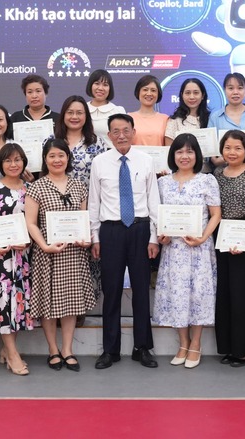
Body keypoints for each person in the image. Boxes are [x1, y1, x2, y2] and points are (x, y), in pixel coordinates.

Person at [89, 113, 161, 369]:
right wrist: (95, 236)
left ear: (133, 131)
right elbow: (94, 202)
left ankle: (142, 347)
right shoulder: (99, 162)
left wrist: (154, 237)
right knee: (111, 291)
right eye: (116, 131)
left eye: (126, 130)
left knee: (141, 290)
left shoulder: (146, 160)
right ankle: (110, 350)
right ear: (109, 135)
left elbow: (154, 200)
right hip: (111, 232)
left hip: (140, 230)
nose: (121, 135)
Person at [25, 139, 96, 372]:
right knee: (49, 303)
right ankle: (53, 349)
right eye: (52, 156)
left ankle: (67, 349)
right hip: (48, 254)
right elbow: (31, 223)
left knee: (71, 303)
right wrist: (45, 246)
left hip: (74, 253)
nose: (57, 160)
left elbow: (84, 219)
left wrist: (85, 239)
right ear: (45, 160)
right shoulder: (36, 187)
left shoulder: (79, 186)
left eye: (61, 155)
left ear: (68, 158)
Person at [152, 134, 221, 369]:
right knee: (177, 294)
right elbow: (158, 217)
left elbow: (216, 214)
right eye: (180, 151)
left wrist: (203, 237)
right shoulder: (162, 183)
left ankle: (196, 343)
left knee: (198, 294)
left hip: (199, 248)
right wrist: (161, 235)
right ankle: (183, 343)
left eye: (189, 151)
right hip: (173, 250)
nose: (184, 156)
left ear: (197, 155)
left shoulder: (207, 180)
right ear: (172, 155)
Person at [212, 130, 245, 367]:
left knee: (243, 296)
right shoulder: (217, 174)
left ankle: (244, 350)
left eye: (237, 148)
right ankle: (228, 347)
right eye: (227, 148)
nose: (232, 152)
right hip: (222, 238)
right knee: (225, 295)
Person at [0, 143, 33, 376]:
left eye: (18, 159)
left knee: (17, 303)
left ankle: (7, 350)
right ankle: (12, 354)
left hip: (22, 257)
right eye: (8, 160)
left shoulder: (30, 189)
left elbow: (36, 223)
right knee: (2, 302)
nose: (13, 164)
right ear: (1, 164)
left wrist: (27, 242)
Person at [51, 95, 107, 185]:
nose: (74, 117)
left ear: (86, 116)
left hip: (88, 193)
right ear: (63, 115)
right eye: (70, 112)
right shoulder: (51, 141)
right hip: (54, 193)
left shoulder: (97, 143)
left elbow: (103, 174)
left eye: (79, 113)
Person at [165, 78, 211, 144]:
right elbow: (169, 148)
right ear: (182, 95)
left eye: (196, 93)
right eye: (187, 93)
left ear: (202, 96)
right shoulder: (174, 121)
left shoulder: (211, 119)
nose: (191, 97)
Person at [86, 69, 125, 146]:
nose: (100, 88)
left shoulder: (118, 111)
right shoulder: (82, 109)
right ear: (90, 85)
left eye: (105, 85)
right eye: (97, 83)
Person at [129, 74, 169, 146]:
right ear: (138, 92)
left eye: (153, 90)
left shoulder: (166, 119)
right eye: (145, 90)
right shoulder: (129, 118)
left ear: (158, 94)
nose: (149, 93)